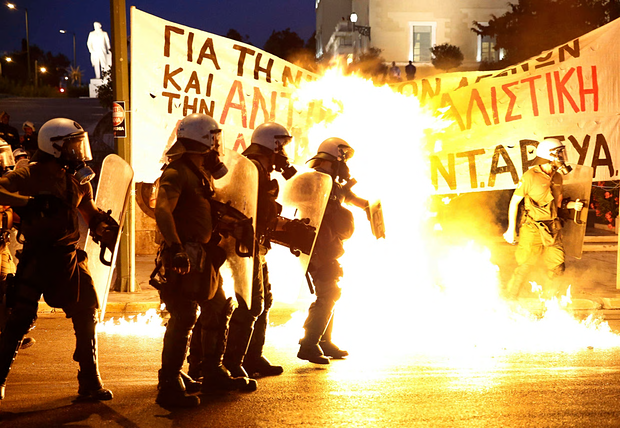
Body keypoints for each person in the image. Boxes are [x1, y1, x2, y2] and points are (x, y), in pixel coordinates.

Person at [0, 118, 117, 401]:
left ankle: (90, 381)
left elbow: (88, 210)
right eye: (73, 144)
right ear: (54, 147)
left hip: (69, 258)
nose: (79, 150)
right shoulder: (30, 173)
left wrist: (102, 225)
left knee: (87, 313)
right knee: (20, 320)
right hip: (37, 257)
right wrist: (29, 203)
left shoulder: (79, 177)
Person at [153, 113, 255, 408]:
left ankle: (212, 371)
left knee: (218, 308)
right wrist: (176, 249)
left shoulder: (200, 174)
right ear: (202, 140)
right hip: (184, 257)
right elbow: (162, 210)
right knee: (184, 317)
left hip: (203, 257)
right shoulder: (177, 172)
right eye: (213, 139)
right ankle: (169, 383)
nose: (217, 145)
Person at [222, 121, 297, 379]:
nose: (284, 153)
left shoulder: (259, 168)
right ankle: (232, 361)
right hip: (243, 245)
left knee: (263, 303)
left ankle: (252, 357)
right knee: (250, 304)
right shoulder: (251, 167)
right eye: (281, 145)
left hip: (256, 246)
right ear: (271, 144)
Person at [297, 137, 368, 365]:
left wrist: (370, 207)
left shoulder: (333, 185)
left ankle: (324, 342)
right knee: (329, 293)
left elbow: (353, 199)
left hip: (329, 249)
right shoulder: (312, 182)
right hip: (317, 248)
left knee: (330, 293)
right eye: (342, 159)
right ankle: (309, 344)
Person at [503, 138, 584, 299]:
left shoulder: (558, 177)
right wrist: (510, 229)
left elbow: (558, 205)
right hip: (532, 227)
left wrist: (573, 206)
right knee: (525, 265)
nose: (561, 156)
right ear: (548, 155)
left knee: (557, 265)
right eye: (558, 153)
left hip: (552, 227)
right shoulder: (530, 176)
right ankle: (510, 300)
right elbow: (514, 203)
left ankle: (550, 301)